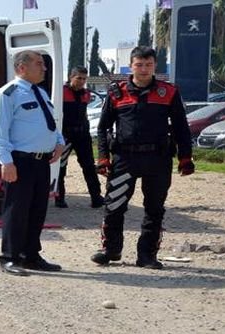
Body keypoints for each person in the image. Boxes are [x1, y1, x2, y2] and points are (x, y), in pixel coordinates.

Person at [91, 46, 195, 269]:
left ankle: (147, 255)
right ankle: (110, 249)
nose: (144, 69)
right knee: (114, 205)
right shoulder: (116, 92)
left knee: (154, 209)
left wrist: (185, 158)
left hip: (158, 159)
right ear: (131, 66)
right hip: (124, 158)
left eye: (148, 65)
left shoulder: (168, 92)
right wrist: (103, 158)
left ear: (155, 66)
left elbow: (181, 127)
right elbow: (103, 129)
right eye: (139, 64)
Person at [0, 50, 65, 276]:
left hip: (42, 161)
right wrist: (6, 161)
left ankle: (30, 254)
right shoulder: (7, 94)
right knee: (17, 210)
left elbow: (49, 122)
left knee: (37, 209)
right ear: (22, 68)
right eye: (39, 63)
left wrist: (59, 142)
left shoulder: (40, 92)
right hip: (20, 161)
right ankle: (9, 257)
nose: (44, 68)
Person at [55, 66, 104, 209]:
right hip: (65, 136)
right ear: (71, 77)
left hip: (82, 135)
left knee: (89, 166)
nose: (81, 81)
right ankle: (59, 197)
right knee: (61, 167)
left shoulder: (87, 94)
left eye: (84, 79)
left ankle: (96, 197)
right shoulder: (61, 92)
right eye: (79, 78)